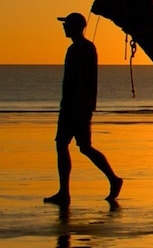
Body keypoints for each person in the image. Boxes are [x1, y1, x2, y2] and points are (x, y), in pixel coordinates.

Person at [46, 13, 122, 205]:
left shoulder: (83, 49)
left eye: (67, 25)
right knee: (77, 146)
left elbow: (83, 80)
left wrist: (77, 107)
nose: (64, 28)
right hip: (74, 106)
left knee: (71, 146)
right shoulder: (76, 48)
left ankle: (67, 192)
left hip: (76, 107)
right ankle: (67, 191)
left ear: (76, 27)